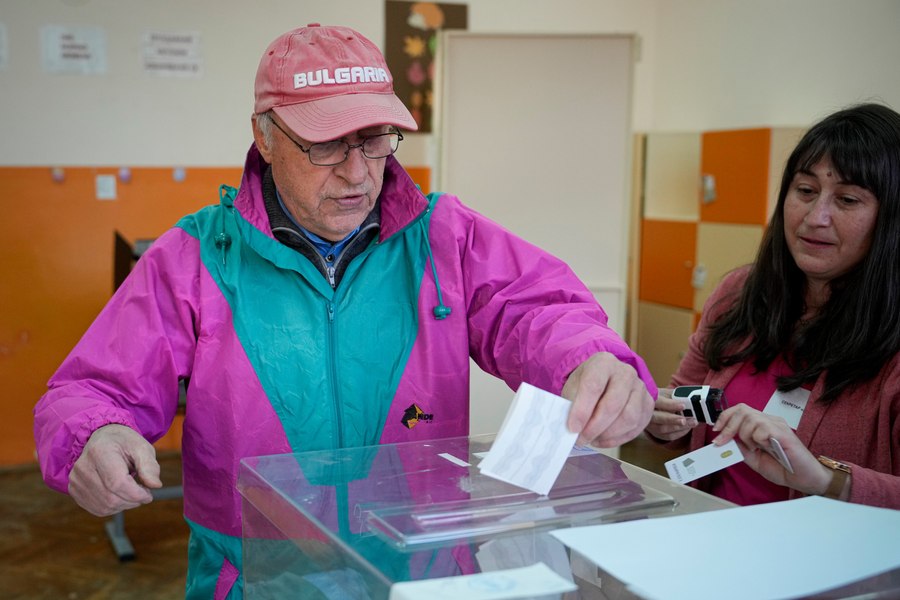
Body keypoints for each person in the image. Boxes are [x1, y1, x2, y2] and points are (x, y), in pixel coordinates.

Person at [33, 24, 656, 598]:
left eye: (375, 139)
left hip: (421, 572)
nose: (358, 173)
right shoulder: (195, 258)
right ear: (265, 137)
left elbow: (538, 310)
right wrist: (95, 435)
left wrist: (590, 359)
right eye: (327, 144)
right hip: (259, 580)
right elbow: (91, 390)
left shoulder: (446, 238)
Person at [646, 103, 900, 509]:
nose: (815, 217)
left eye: (848, 199)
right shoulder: (739, 291)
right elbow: (679, 410)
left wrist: (824, 478)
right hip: (708, 531)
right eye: (806, 191)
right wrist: (659, 420)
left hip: (825, 549)